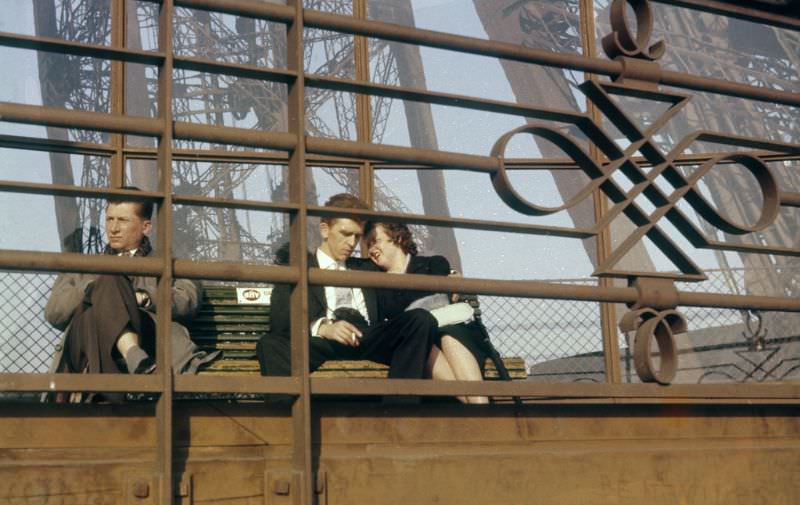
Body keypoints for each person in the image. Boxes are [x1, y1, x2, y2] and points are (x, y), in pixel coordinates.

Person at [256, 193, 439, 381]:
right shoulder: (299, 268)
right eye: (345, 234)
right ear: (325, 230)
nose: (352, 243)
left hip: (368, 338)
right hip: (323, 342)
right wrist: (322, 328)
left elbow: (410, 268)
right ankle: (290, 410)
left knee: (419, 320)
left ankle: (398, 407)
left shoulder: (367, 268)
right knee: (270, 344)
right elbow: (280, 318)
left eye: (357, 236)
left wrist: (447, 276)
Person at [44, 188, 217, 380]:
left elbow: (187, 301)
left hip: (147, 343)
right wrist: (92, 289)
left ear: (146, 227)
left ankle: (110, 388)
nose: (113, 228)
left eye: (123, 220)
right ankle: (133, 354)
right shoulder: (81, 267)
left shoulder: (172, 264)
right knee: (108, 279)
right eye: (110, 219)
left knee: (102, 296)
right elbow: (54, 313)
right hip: (88, 347)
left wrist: (144, 297)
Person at [366, 222, 489, 404]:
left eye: (376, 241)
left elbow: (438, 298)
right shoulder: (377, 283)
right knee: (421, 341)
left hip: (453, 333)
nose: (371, 249)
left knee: (449, 336)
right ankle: (477, 410)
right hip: (422, 341)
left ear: (398, 238)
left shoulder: (433, 264)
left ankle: (479, 407)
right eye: (368, 245)